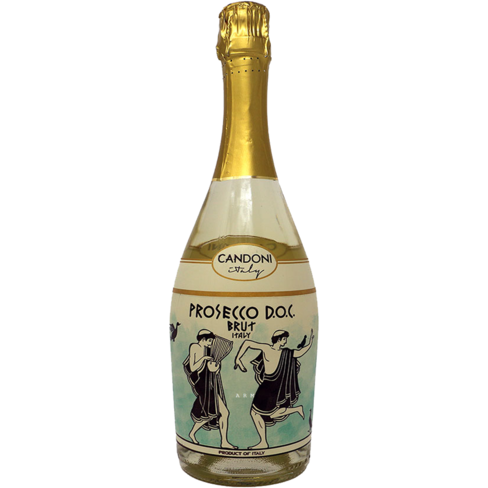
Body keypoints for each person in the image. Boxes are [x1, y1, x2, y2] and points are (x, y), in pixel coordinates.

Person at [234, 329, 314, 449]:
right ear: (279, 339)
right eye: (284, 339)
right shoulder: (270, 349)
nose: (285, 341)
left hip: (269, 386)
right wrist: (238, 359)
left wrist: (310, 343)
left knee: (255, 412)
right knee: (270, 413)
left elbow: (300, 352)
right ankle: (296, 409)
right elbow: (247, 343)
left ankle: (263, 442)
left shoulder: (280, 351)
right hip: (272, 386)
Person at [183, 329, 236, 449]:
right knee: (217, 412)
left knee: (216, 412)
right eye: (210, 341)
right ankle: (222, 442)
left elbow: (211, 369)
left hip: (208, 383)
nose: (211, 343)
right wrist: (204, 359)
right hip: (201, 384)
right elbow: (193, 367)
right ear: (203, 339)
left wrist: (216, 368)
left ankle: (222, 441)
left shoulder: (208, 350)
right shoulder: (195, 347)